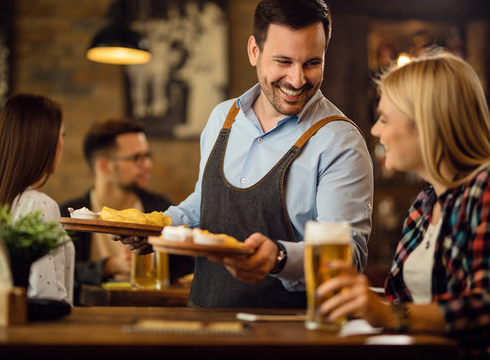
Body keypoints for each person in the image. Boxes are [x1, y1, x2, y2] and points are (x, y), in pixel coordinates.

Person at [122, 0, 373, 308]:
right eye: (283, 62)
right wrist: (158, 227)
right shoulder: (222, 117)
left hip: (287, 336)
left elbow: (349, 254)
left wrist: (280, 258)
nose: (297, 80)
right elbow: (206, 205)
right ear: (254, 50)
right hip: (204, 323)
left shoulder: (339, 141)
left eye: (312, 63)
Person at [316, 52, 490, 358]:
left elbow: (483, 308)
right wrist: (359, 299)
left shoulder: (483, 189)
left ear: (427, 123)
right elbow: (402, 301)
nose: (375, 130)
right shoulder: (424, 205)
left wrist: (389, 315)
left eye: (384, 118)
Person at [60, 118, 194, 305]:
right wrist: (109, 266)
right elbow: (58, 272)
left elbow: (188, 263)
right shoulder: (70, 214)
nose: (147, 165)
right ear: (104, 166)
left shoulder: (162, 207)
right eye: (136, 158)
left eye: (147, 156)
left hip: (152, 312)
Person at [0, 93, 75, 304]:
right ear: (45, 143)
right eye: (62, 135)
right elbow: (47, 297)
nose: (62, 143)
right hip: (39, 333)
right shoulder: (39, 204)